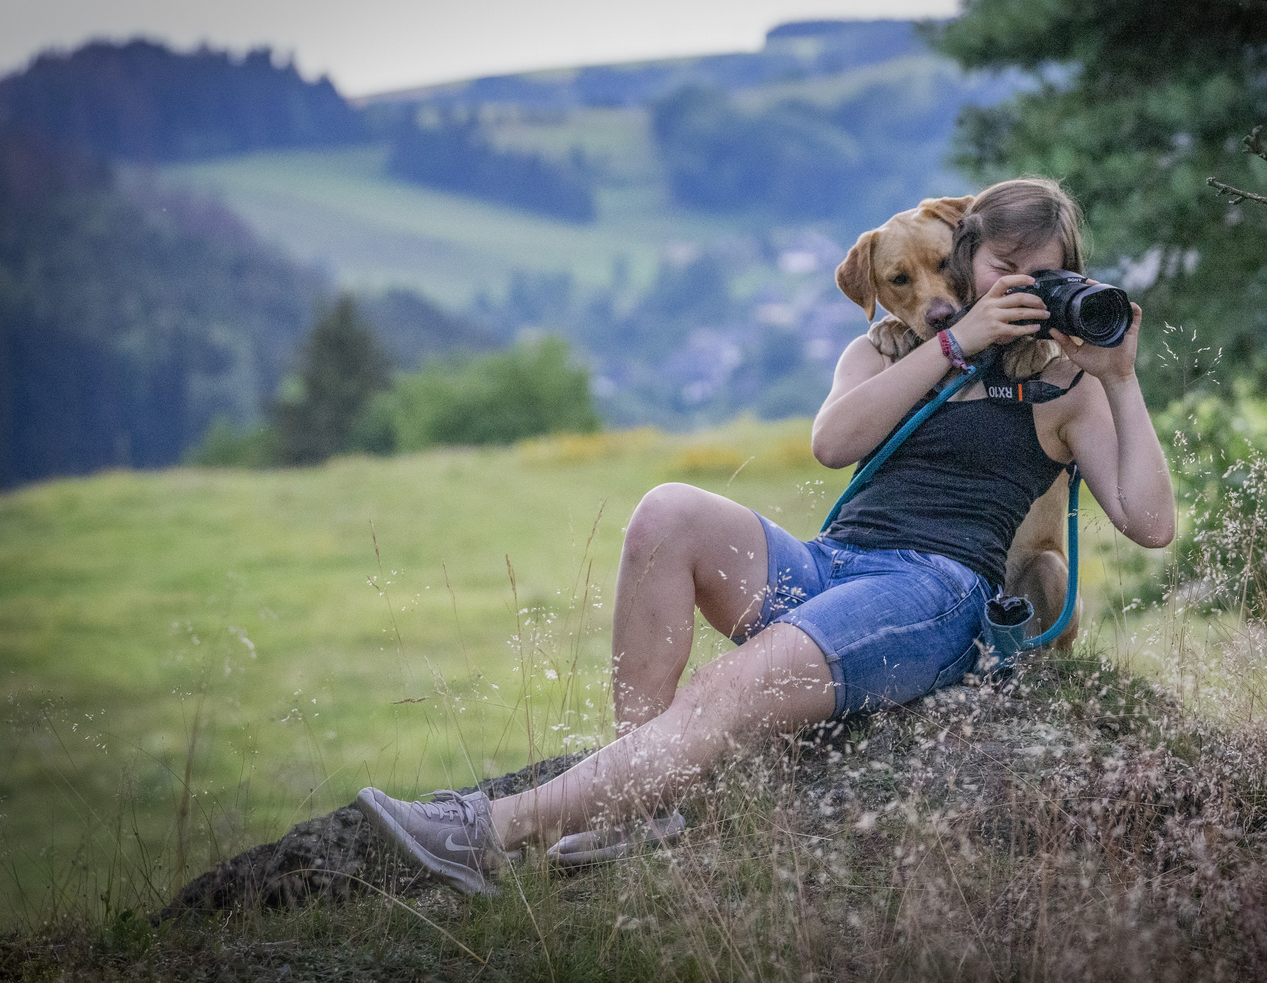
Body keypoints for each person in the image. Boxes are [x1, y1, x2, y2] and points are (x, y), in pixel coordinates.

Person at [355, 178, 1175, 895]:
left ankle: (485, 833)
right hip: (835, 562)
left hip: (932, 592)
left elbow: (1150, 523)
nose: (1020, 286)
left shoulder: (1064, 385)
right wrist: (959, 343)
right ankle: (644, 800)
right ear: (968, 260)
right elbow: (833, 442)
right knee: (666, 510)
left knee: (728, 688)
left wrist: (1119, 378)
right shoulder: (889, 348)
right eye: (1003, 267)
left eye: (1047, 271)